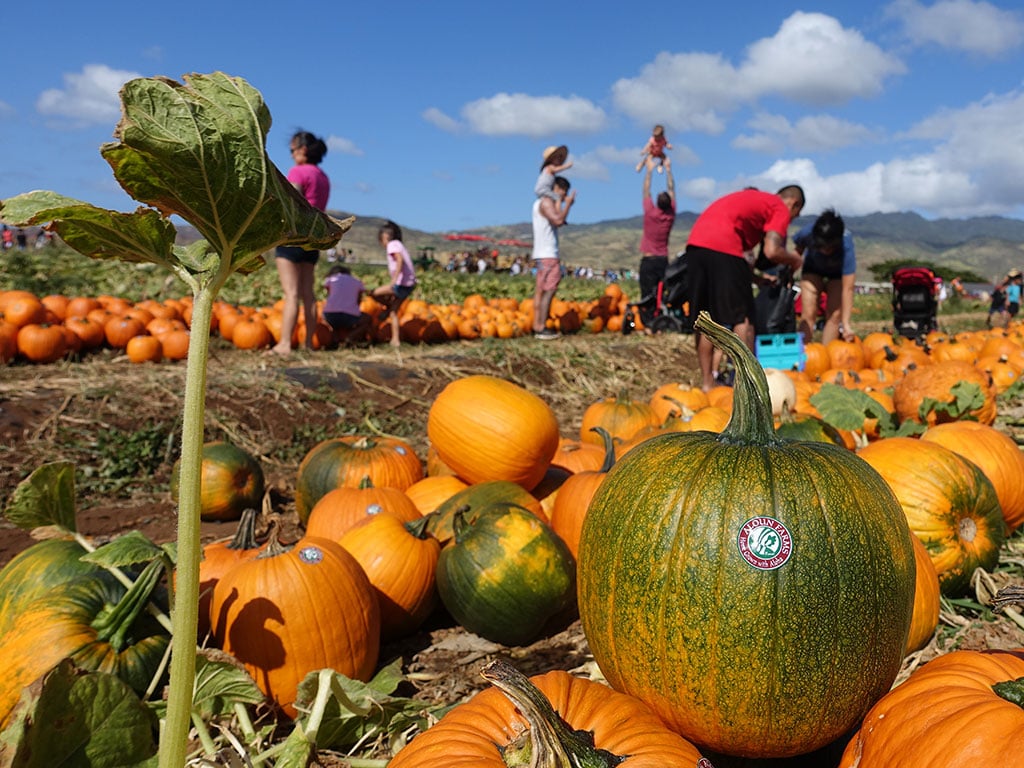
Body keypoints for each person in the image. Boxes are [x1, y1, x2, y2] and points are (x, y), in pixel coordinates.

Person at [685, 185, 806, 391]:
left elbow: (737, 258)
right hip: (725, 247)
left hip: (696, 246)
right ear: (794, 204)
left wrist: (757, 279)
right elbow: (771, 250)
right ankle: (749, 386)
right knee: (743, 317)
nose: (790, 219)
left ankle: (707, 383)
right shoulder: (779, 206)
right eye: (795, 215)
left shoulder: (754, 202)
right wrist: (795, 260)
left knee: (705, 317)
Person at [271, 130, 331, 357]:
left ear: (303, 150)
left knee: (291, 293)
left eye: (292, 150)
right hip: (314, 239)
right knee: (308, 293)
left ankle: (285, 344)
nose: (292, 155)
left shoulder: (298, 172)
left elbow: (292, 202)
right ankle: (308, 343)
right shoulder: (323, 177)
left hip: (293, 237)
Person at [794, 209, 857, 344]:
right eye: (821, 247)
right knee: (808, 314)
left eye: (829, 248)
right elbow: (797, 252)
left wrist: (846, 324)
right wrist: (788, 273)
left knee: (834, 316)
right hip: (812, 269)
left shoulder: (847, 245)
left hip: (836, 274)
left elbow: (848, 288)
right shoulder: (807, 233)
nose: (825, 251)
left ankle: (827, 354)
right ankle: (803, 353)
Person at [531, 175, 576, 339]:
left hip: (541, 254)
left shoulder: (539, 203)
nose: (564, 196)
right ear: (557, 189)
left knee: (541, 289)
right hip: (548, 254)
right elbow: (558, 220)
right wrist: (568, 206)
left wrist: (562, 204)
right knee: (549, 289)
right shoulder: (546, 202)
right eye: (563, 192)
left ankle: (536, 324)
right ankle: (541, 327)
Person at [637, 160, 676, 327]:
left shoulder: (650, 212)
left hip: (649, 260)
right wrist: (668, 170)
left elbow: (646, 190)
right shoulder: (670, 216)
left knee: (647, 294)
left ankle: (648, 325)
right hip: (662, 260)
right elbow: (672, 190)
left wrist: (649, 171)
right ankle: (659, 322)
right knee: (661, 293)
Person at [372, 220, 417, 347]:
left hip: (401, 283)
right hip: (409, 284)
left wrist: (394, 280)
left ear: (385, 237)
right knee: (394, 312)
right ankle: (395, 340)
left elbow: (399, 260)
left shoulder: (392, 245)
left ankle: (386, 307)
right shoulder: (398, 244)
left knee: (373, 293)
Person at [322, 264, 371, 346]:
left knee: (332, 323)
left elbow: (329, 294)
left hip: (330, 315)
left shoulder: (331, 280)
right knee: (368, 319)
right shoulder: (357, 281)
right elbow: (359, 299)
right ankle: (349, 337)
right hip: (349, 316)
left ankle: (335, 340)